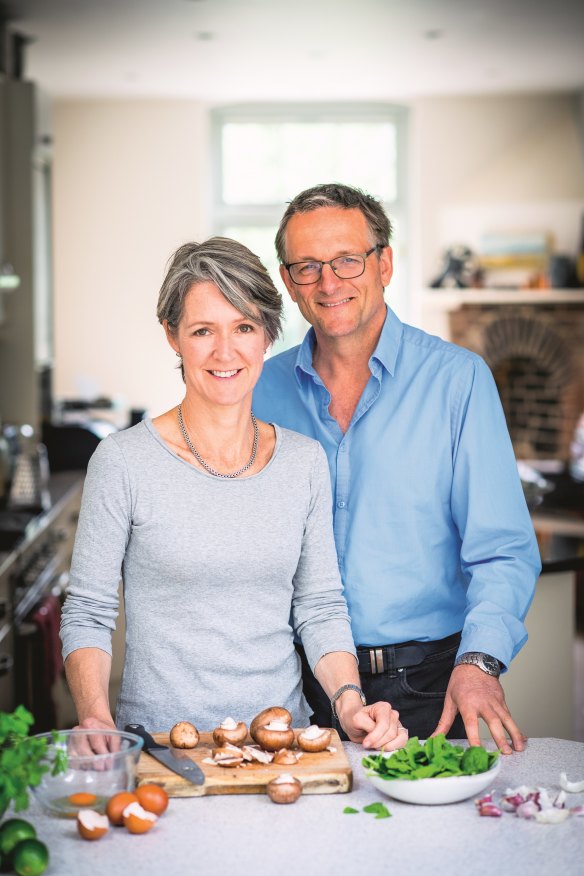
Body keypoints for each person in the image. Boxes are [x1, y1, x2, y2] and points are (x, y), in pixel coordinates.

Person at [60, 236, 406, 752]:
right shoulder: (123, 461)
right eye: (203, 330)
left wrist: (351, 704)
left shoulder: (303, 461)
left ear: (267, 334)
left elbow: (319, 606)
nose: (225, 352)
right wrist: (93, 715)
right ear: (172, 337)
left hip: (282, 744)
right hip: (161, 747)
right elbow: (88, 610)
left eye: (244, 327)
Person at [253, 183, 542, 754]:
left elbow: (503, 549)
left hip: (429, 683)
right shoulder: (258, 391)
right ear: (288, 282)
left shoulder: (458, 381)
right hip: (289, 681)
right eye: (307, 267)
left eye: (346, 260)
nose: (328, 283)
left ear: (384, 263)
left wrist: (479, 663)